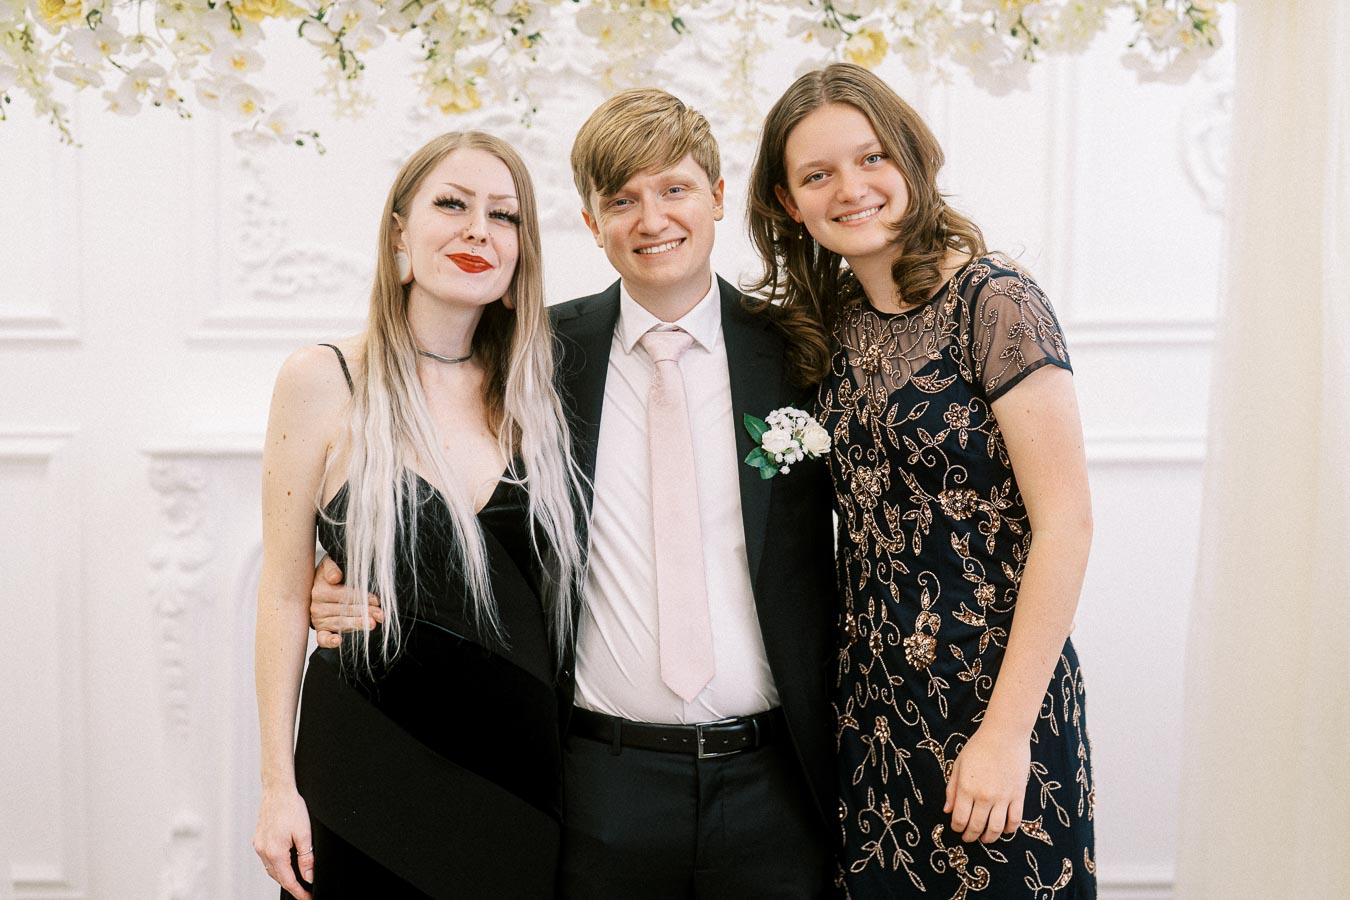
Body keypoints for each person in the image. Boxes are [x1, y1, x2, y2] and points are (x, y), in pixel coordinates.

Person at [312, 89, 838, 898]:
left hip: (776, 781)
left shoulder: (800, 347)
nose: (651, 218)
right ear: (591, 223)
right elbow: (445, 474)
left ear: (719, 197)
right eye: (620, 200)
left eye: (674, 189)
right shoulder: (535, 356)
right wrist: (344, 568)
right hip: (599, 784)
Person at [745, 63, 1096, 898]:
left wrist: (1007, 736)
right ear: (790, 202)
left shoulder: (996, 304)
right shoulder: (828, 327)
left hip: (997, 700)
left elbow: (1067, 526)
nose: (851, 188)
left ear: (911, 159)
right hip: (870, 712)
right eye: (817, 174)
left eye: (871, 159)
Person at [252, 130, 586, 900]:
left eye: (503, 215)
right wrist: (277, 787)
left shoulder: (542, 395)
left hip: (519, 787)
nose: (478, 228)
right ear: (399, 233)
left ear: (519, 255)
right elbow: (281, 593)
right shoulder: (323, 378)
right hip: (362, 774)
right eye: (452, 203)